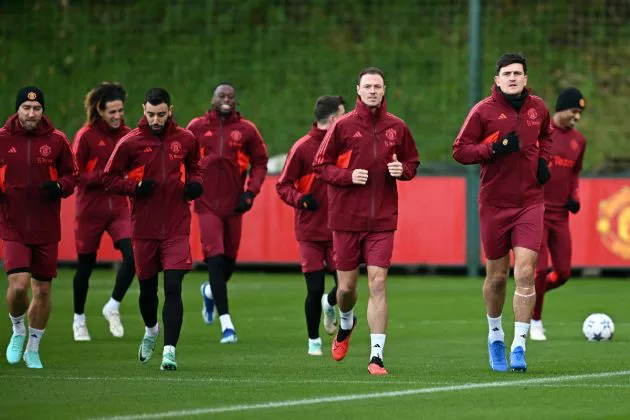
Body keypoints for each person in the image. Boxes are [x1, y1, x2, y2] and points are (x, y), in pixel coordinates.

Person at [313, 67, 420, 375]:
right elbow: (321, 165)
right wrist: (347, 176)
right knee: (346, 289)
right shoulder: (342, 126)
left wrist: (404, 170)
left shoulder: (397, 127)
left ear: (384, 90)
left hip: (383, 220)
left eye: (378, 86)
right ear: (358, 90)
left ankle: (376, 356)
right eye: (367, 86)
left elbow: (412, 161)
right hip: (346, 219)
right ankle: (346, 323)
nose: (373, 91)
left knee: (378, 282)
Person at [452, 53, 553, 372]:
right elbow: (460, 150)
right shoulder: (483, 111)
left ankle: (519, 346)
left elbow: (548, 135)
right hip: (494, 204)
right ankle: (495, 335)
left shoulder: (538, 107)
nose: (512, 78)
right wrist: (493, 149)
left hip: (530, 202)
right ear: (496, 80)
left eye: (517, 73)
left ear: (525, 78)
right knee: (496, 278)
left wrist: (543, 162)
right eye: (506, 73)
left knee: (524, 272)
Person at [103, 88, 203, 371]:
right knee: (147, 293)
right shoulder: (129, 143)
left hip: (176, 225)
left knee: (173, 287)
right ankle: (151, 331)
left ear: (170, 110)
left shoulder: (186, 139)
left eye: (161, 114)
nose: (156, 119)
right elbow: (108, 179)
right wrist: (134, 187)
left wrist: (195, 183)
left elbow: (196, 167)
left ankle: (169, 351)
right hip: (144, 227)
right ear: (143, 110)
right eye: (151, 114)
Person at [1, 86, 78, 368]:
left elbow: (73, 175)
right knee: (19, 287)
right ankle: (18, 329)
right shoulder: (2, 138)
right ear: (17, 109)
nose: (31, 113)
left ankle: (33, 347)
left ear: (42, 110)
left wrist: (59, 186)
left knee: (43, 291)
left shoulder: (57, 140)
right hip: (14, 224)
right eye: (26, 108)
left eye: (36, 109)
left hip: (46, 226)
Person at [187, 83, 268, 344]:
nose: (227, 100)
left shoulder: (247, 130)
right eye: (222, 95)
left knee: (229, 264)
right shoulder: (197, 127)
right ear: (212, 98)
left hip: (234, 206)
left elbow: (260, 162)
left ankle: (209, 291)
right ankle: (227, 326)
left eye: (231, 96)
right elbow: (181, 157)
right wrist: (188, 185)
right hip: (206, 204)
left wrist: (251, 192)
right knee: (215, 259)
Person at [276, 95, 345, 356]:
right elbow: (282, 185)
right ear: (332, 119)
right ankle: (313, 340)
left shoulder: (343, 145)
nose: (347, 116)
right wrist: (301, 200)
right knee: (313, 287)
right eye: (342, 113)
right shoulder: (303, 148)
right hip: (310, 231)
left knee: (345, 287)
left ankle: (331, 303)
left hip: (339, 228)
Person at [71, 82, 135, 341]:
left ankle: (113, 305)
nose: (118, 116)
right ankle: (79, 320)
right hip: (90, 210)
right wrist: (104, 176)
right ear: (99, 110)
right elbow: (75, 174)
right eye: (112, 112)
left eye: (121, 111)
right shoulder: (85, 136)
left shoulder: (128, 135)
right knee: (85, 267)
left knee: (134, 257)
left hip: (119, 208)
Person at [530, 88, 587, 341]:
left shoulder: (579, 142)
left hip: (561, 215)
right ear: (561, 108)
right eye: (574, 111)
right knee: (539, 271)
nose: (577, 117)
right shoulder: (542, 134)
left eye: (580, 113)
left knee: (563, 274)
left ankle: (529, 294)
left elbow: (574, 174)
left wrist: (574, 197)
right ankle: (535, 320)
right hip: (537, 212)